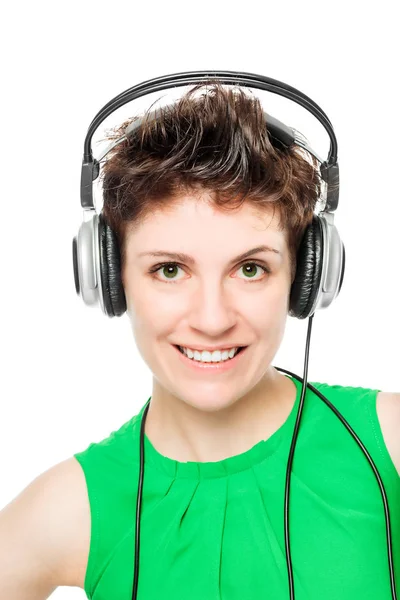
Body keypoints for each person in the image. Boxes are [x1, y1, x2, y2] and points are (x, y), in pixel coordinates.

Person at [0, 81, 399, 600]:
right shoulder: (69, 507)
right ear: (109, 279)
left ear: (307, 276)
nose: (212, 320)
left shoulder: (387, 443)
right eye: (169, 270)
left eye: (250, 269)